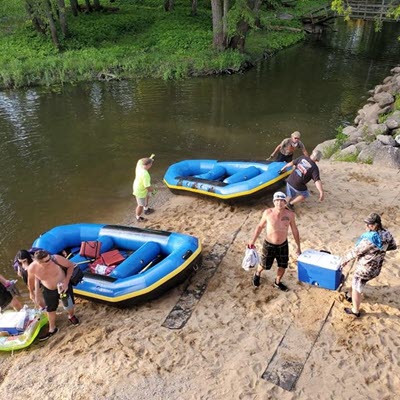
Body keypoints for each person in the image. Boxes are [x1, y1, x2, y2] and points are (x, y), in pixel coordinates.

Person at [341, 213, 397, 317]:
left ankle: (355, 311)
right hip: (377, 267)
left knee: (357, 285)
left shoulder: (368, 240)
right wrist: (380, 250)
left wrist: (343, 261)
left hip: (365, 269)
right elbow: (393, 246)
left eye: (369, 224)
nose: (366, 226)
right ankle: (349, 296)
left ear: (374, 225)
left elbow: (355, 252)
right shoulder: (387, 234)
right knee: (358, 282)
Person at [248, 191, 301, 292]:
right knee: (264, 265)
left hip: (283, 245)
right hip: (269, 244)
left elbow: (295, 230)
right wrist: (252, 241)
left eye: (282, 200)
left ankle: (277, 282)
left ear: (285, 202)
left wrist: (298, 246)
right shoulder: (268, 213)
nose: (279, 203)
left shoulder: (290, 214)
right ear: (273, 202)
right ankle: (257, 274)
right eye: (277, 200)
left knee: (283, 265)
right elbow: (259, 227)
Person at [28, 250, 80, 340]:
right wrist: (31, 292)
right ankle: (52, 329)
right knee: (50, 309)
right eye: (47, 261)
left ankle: (71, 316)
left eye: (49, 258)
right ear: (39, 262)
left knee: (69, 305)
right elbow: (30, 281)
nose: (50, 261)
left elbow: (71, 265)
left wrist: (66, 282)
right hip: (48, 289)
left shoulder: (55, 258)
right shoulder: (32, 268)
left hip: (63, 285)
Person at [133, 156, 155, 222]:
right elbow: (147, 187)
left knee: (147, 196)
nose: (151, 165)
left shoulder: (139, 165)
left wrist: (148, 159)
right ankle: (138, 217)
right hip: (140, 190)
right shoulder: (145, 174)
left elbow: (140, 159)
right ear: (148, 165)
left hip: (139, 185)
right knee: (140, 205)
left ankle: (146, 209)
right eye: (151, 164)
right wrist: (153, 190)